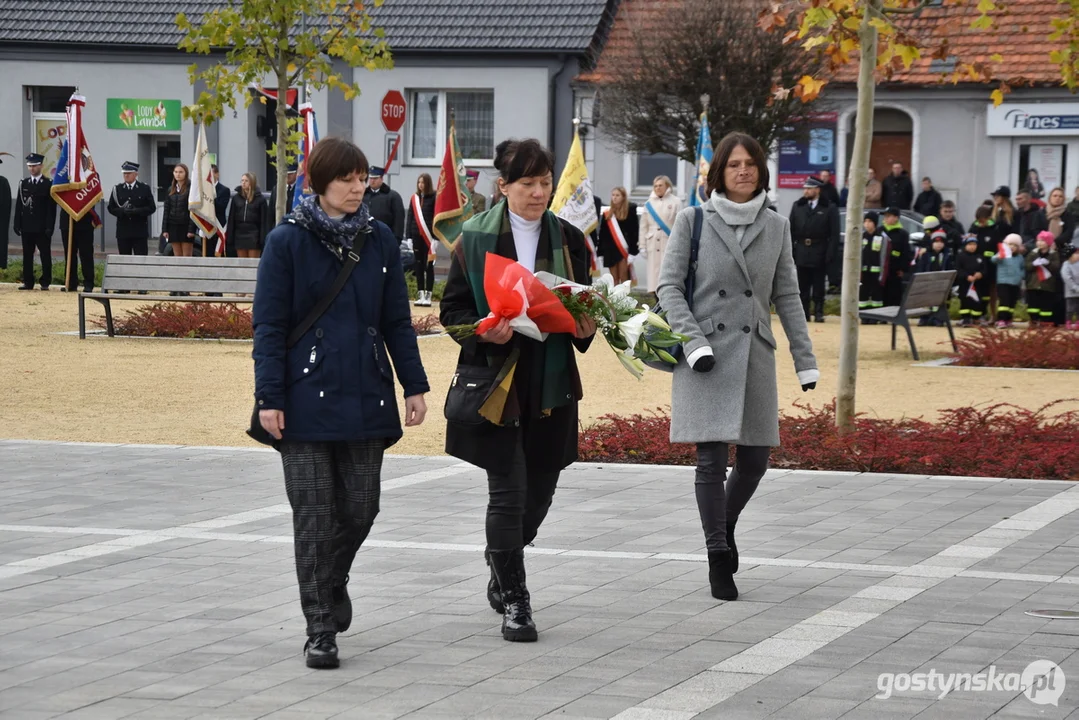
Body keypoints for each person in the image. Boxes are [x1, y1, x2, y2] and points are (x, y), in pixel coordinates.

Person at [253, 136, 430, 669]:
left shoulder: (377, 239)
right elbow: (269, 326)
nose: (358, 188)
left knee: (361, 505)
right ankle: (319, 627)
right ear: (319, 184)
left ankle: (331, 580)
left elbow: (397, 319)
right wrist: (269, 397)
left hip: (365, 394)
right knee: (313, 513)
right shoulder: (286, 241)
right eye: (346, 180)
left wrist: (414, 384)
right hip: (302, 399)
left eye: (361, 179)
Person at [438, 138, 597, 642]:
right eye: (526, 183)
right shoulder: (473, 239)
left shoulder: (569, 239)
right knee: (507, 494)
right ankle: (516, 599)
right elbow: (453, 313)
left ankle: (500, 557)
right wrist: (483, 329)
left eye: (545, 181)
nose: (538, 192)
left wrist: (589, 327)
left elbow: (587, 310)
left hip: (549, 380)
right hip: (497, 380)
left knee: (540, 495)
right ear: (502, 186)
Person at [657, 131, 818, 601]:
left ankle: (723, 530)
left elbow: (787, 294)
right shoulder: (693, 220)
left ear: (761, 169)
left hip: (754, 355)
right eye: (734, 164)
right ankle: (716, 558)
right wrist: (692, 343)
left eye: (750, 163)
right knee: (709, 461)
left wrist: (804, 360)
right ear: (719, 172)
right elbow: (668, 289)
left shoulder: (778, 226)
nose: (743, 170)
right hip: (704, 354)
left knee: (754, 461)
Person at [788, 176, 838, 322]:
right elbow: (790, 230)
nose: (806, 191)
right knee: (802, 285)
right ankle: (804, 312)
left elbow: (834, 234)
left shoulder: (829, 207)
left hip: (819, 250)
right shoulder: (798, 206)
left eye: (809, 188)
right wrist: (791, 251)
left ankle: (818, 312)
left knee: (818, 284)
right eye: (805, 188)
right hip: (802, 250)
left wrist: (830, 253)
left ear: (817, 190)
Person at [13, 153, 57, 290]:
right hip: (27, 226)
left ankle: (45, 281)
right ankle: (28, 282)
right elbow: (19, 205)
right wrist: (17, 223)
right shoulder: (23, 183)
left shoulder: (48, 184)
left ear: (41, 166)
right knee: (27, 255)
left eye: (35, 166)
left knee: (45, 255)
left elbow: (51, 209)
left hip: (42, 227)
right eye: (30, 166)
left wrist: (50, 226)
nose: (32, 169)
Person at [640, 175, 681, 294]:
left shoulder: (676, 202)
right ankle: (656, 302)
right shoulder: (648, 203)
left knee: (668, 274)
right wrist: (642, 246)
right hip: (652, 242)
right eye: (655, 186)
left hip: (669, 242)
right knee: (653, 277)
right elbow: (643, 226)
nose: (657, 188)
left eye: (660, 185)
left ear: (667, 186)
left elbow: (679, 225)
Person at [107, 161, 156, 258]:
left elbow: (151, 208)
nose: (126, 176)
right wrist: (122, 211)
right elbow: (111, 208)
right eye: (124, 173)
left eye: (129, 173)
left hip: (139, 231)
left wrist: (137, 211)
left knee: (141, 260)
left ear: (136, 174)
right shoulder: (117, 189)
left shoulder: (144, 188)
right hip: (123, 231)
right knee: (124, 259)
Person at [406, 173, 437, 307]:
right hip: (416, 236)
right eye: (419, 182)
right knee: (418, 265)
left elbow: (436, 218)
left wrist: (436, 238)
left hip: (430, 238)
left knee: (429, 266)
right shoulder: (414, 198)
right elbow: (410, 218)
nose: (421, 185)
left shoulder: (434, 198)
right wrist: (408, 237)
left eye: (423, 183)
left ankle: (429, 294)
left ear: (428, 184)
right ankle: (420, 294)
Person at [598, 186, 639, 285]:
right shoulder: (607, 214)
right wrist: (600, 253)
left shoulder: (630, 212)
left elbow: (634, 233)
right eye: (613, 195)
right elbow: (602, 234)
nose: (614, 197)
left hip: (623, 250)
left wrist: (633, 252)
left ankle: (624, 299)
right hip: (610, 250)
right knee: (613, 279)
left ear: (623, 197)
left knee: (624, 278)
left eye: (617, 195)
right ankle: (614, 300)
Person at [227, 173, 272, 260]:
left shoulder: (260, 199)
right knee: (242, 263)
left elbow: (264, 221)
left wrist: (263, 239)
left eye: (246, 181)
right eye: (242, 180)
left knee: (252, 263)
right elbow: (231, 218)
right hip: (239, 235)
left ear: (252, 182)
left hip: (254, 235)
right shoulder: (236, 198)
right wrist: (230, 237)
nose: (243, 183)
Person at [914, 228, 954, 326]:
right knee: (926, 301)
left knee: (940, 302)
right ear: (932, 243)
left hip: (941, 283)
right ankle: (924, 317)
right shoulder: (926, 254)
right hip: (928, 282)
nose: (939, 244)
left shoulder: (947, 255)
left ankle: (938, 318)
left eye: (941, 242)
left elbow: (950, 269)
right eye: (936, 242)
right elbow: (921, 268)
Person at [969, 204, 999, 320]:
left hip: (992, 265)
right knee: (979, 290)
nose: (981, 223)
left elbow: (998, 245)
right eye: (979, 221)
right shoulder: (974, 228)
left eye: (983, 220)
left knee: (992, 291)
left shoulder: (995, 228)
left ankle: (993, 315)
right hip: (977, 265)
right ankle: (979, 314)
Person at [1025, 231, 1060, 325]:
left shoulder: (1054, 254)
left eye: (1042, 241)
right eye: (1038, 240)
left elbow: (1056, 267)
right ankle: (1034, 321)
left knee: (1046, 305)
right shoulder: (1033, 253)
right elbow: (1027, 266)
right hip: (1033, 285)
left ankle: (1045, 322)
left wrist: (1048, 263)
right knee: (1033, 305)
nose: (1039, 243)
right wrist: (1033, 264)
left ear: (1048, 242)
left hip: (1047, 285)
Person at [162, 164, 197, 258]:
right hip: (173, 226)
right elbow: (166, 210)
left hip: (185, 226)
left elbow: (193, 211)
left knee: (187, 256)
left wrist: (191, 230)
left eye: (181, 172)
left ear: (186, 173)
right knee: (177, 256)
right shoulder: (170, 189)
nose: (178, 174)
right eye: (176, 172)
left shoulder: (191, 189)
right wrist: (164, 229)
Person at [880, 207, 913, 307]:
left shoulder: (902, 234)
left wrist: (903, 269)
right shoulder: (880, 231)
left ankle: (893, 315)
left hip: (895, 270)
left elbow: (906, 252)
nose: (885, 218)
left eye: (888, 216)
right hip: (882, 270)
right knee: (881, 293)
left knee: (894, 294)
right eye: (885, 216)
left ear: (896, 218)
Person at [859, 211, 888, 320]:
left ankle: (876, 316)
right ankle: (864, 316)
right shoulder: (862, 236)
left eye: (870, 221)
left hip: (876, 272)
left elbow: (884, 256)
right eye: (865, 221)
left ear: (875, 223)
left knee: (876, 295)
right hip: (864, 271)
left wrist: (882, 274)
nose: (867, 224)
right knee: (863, 294)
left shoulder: (881, 237)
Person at [363, 167, 405, 243]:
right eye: (370, 178)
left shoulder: (393, 196)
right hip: (365, 238)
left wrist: (397, 239)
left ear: (381, 179)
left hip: (385, 238)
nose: (372, 181)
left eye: (375, 178)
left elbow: (399, 219)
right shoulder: (363, 195)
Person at [991, 233, 1024, 327]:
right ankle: (1001, 319)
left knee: (1012, 302)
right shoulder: (1003, 254)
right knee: (1004, 301)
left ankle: (1009, 319)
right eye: (1010, 244)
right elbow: (993, 260)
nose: (1012, 247)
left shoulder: (1020, 257)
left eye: (1015, 245)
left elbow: (1022, 268)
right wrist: (999, 257)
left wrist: (1021, 275)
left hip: (1015, 283)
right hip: (1003, 282)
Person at [60, 209, 96, 293]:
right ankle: (71, 282)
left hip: (85, 220)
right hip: (67, 221)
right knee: (69, 254)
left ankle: (88, 283)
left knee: (86, 254)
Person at [955, 235, 985, 326]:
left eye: (974, 244)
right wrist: (966, 276)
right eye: (970, 244)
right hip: (964, 284)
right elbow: (958, 269)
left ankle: (976, 318)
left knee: (977, 301)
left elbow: (984, 269)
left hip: (978, 284)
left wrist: (980, 274)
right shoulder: (961, 256)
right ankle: (965, 318)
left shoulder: (980, 256)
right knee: (965, 301)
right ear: (965, 245)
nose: (972, 247)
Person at [1061, 246, 1079, 330]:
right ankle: (1068, 323)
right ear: (1070, 255)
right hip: (1071, 292)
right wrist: (1075, 287)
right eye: (1076, 253)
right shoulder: (1066, 265)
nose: (1078, 255)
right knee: (1070, 309)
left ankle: (1077, 323)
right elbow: (1067, 278)